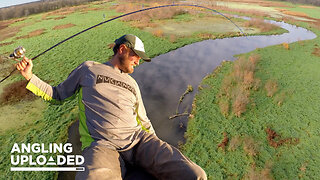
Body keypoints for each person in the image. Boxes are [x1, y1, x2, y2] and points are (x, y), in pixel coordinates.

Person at [16, 34, 207, 180]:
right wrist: (30, 77)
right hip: (102, 145)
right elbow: (56, 94)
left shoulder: (132, 84)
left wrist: (156, 147)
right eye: (136, 56)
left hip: (139, 141)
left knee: (195, 174)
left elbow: (144, 120)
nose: (138, 61)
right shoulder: (89, 69)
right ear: (122, 49)